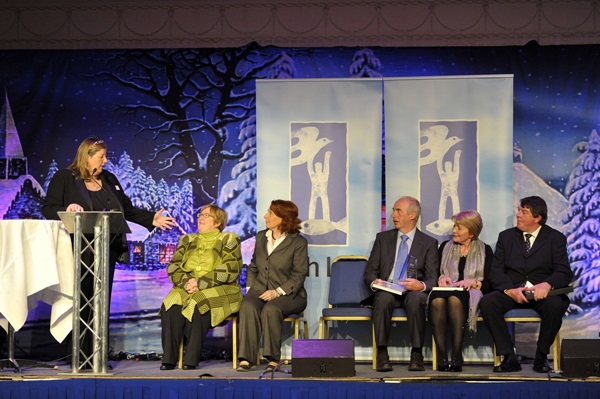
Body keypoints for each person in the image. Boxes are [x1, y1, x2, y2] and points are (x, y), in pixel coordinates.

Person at [42, 137, 176, 365]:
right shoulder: (65, 178)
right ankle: (79, 355)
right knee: (81, 300)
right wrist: (67, 208)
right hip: (77, 249)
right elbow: (48, 208)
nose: (105, 160)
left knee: (100, 302)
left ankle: (96, 355)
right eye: (100, 156)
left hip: (106, 250)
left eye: (105, 156)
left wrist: (151, 219)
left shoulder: (109, 179)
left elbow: (126, 210)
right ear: (87, 156)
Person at [479, 196, 573, 373]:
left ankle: (541, 356)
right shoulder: (506, 237)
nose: (518, 215)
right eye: (519, 210)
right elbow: (496, 271)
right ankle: (509, 357)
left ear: (537, 218)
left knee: (555, 304)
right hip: (514, 291)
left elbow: (563, 271)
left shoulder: (555, 238)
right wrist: (510, 290)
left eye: (524, 212)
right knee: (488, 302)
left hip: (540, 293)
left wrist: (547, 285)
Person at [159, 204, 243, 370]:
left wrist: (201, 283)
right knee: (171, 302)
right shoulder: (187, 240)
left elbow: (231, 269)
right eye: (200, 215)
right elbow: (174, 267)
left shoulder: (229, 239)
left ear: (218, 222)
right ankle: (169, 358)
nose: (201, 218)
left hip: (221, 287)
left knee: (199, 303)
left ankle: (191, 358)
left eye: (206, 215)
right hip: (188, 285)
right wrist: (186, 282)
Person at [364, 196, 439, 372]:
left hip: (412, 290)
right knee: (382, 299)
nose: (393, 215)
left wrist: (420, 286)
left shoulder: (429, 243)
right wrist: (375, 282)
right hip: (387, 289)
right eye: (393, 210)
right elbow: (370, 271)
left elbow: (432, 278)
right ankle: (382, 353)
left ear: (412, 215)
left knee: (415, 299)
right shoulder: (383, 239)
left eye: (398, 211)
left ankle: (417, 353)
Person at [236, 199, 308, 372]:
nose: (265, 216)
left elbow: (299, 275)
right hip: (260, 290)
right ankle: (247, 358)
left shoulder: (298, 242)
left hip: (291, 295)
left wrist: (277, 292)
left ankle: (272, 358)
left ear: (282, 218)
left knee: (271, 309)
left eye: (270, 213)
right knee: (247, 305)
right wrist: (250, 289)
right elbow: (253, 266)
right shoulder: (262, 236)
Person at [429, 210, 493, 372]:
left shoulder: (485, 250)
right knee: (437, 301)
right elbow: (434, 274)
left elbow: (491, 282)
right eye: (455, 227)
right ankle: (442, 356)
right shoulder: (445, 247)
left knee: (454, 300)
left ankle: (456, 354)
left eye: (459, 228)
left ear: (471, 233)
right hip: (444, 290)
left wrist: (474, 282)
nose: (454, 231)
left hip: (468, 292)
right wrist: (441, 277)